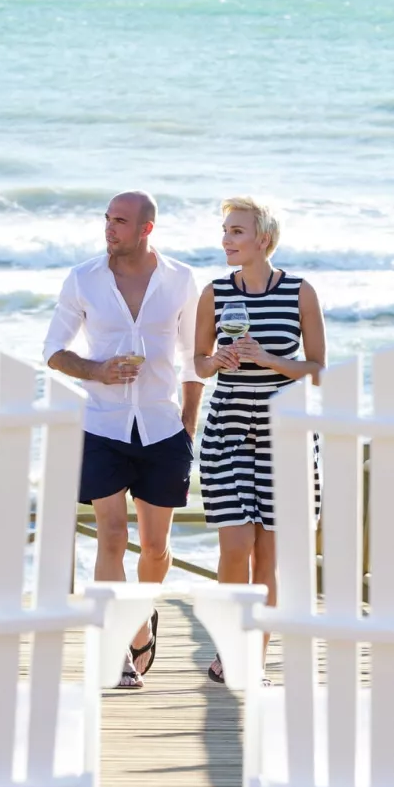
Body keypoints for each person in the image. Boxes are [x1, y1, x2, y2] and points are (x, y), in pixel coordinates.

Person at [44, 191, 202, 689]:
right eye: (107, 219)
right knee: (112, 535)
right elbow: (54, 351)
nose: (109, 229)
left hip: (161, 426)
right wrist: (96, 370)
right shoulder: (83, 279)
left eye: (120, 221)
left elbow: (196, 355)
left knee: (155, 549)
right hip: (102, 425)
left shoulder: (180, 280)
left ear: (146, 229)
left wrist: (189, 421)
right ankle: (118, 645)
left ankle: (139, 617)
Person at [193, 197, 325, 683]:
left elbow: (317, 371)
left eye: (237, 232)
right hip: (228, 425)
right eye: (225, 231)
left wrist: (269, 359)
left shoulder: (299, 292)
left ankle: (256, 659)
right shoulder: (214, 293)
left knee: (268, 554)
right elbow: (199, 362)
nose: (226, 240)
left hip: (283, 431)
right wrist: (217, 361)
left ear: (263, 239)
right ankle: (230, 649)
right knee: (235, 546)